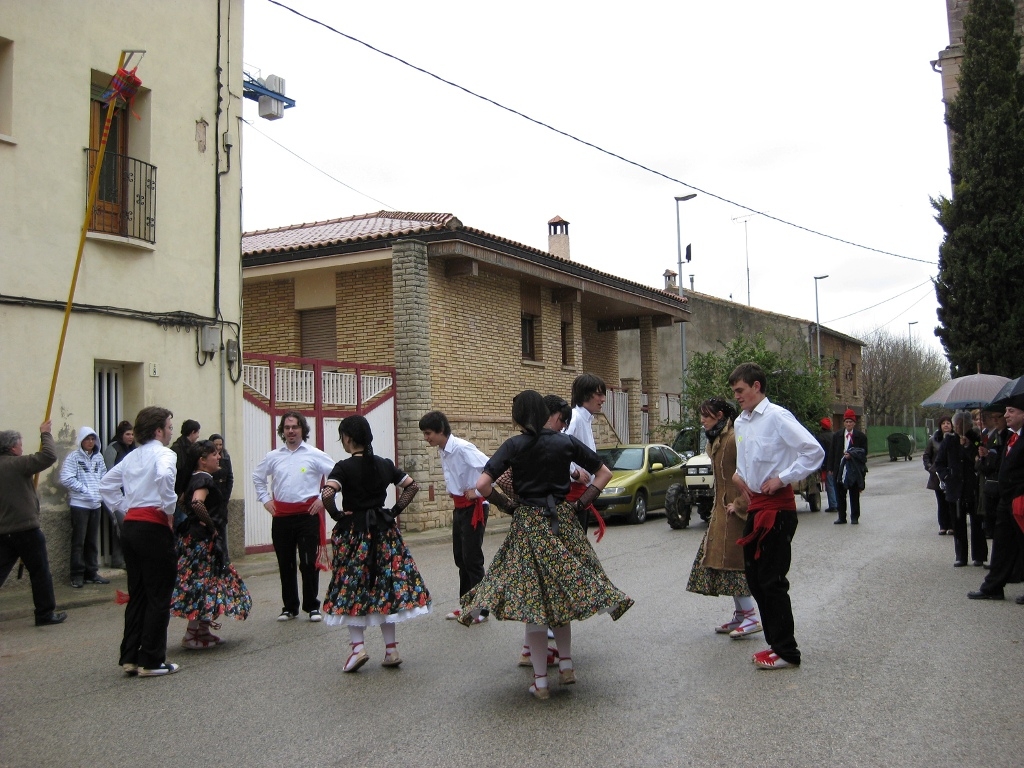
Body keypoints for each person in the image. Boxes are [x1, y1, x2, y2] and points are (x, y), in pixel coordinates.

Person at [459, 390, 633, 700]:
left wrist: (509, 507)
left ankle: (540, 682)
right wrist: (581, 504)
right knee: (560, 595)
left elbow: (483, 485)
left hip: (528, 523)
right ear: (543, 414)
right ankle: (566, 666)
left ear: (517, 417)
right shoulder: (564, 441)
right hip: (562, 521)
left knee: (534, 603)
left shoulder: (513, 445)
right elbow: (604, 472)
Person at [729, 363, 823, 670]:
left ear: (757, 386)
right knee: (755, 579)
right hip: (756, 507)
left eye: (740, 390)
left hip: (778, 510)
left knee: (772, 580)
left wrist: (782, 478)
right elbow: (745, 463)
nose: (737, 397)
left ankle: (787, 651)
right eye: (734, 392)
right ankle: (774, 643)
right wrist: (741, 479)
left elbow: (813, 451)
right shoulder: (741, 423)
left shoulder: (777, 417)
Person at [319, 415, 429, 672]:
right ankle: (391, 650)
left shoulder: (343, 467)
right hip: (383, 530)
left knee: (352, 588)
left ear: (347, 438)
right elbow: (412, 487)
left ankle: (358, 649)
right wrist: (392, 510)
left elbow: (327, 494)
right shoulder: (384, 464)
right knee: (384, 587)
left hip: (354, 533)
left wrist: (336, 515)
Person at [99, 406, 181, 676]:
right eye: (169, 427)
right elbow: (165, 477)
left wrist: (123, 508)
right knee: (159, 593)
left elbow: (106, 485)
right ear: (158, 430)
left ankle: (130, 656)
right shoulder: (165, 453)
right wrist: (169, 510)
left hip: (132, 525)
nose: (171, 431)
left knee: (138, 593)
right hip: (152, 525)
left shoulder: (132, 457)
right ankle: (152, 660)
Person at [685, 397, 760, 639]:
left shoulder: (733, 439)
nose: (702, 420)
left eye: (706, 415)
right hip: (721, 512)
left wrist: (739, 504)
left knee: (735, 564)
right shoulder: (719, 440)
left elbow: (749, 473)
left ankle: (751, 616)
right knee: (725, 563)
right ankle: (740, 614)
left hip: (734, 514)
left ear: (719, 415)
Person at [252, 411, 335, 622]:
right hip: (282, 517)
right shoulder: (273, 457)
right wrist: (265, 500)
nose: (291, 431)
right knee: (285, 562)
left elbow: (336, 475)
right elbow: (257, 477)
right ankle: (289, 606)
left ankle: (312, 606)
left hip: (307, 516)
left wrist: (321, 498)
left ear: (302, 430)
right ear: (282, 431)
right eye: (287, 428)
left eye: (295, 427)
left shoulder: (314, 454)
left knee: (308, 562)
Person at [171, 439, 251, 649]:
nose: (219, 457)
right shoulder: (204, 479)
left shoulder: (194, 478)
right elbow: (197, 503)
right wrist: (209, 524)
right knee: (201, 583)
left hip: (196, 538)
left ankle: (202, 630)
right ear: (202, 460)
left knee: (207, 583)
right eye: (214, 454)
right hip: (202, 541)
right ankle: (192, 634)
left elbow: (182, 501)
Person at [419, 410, 489, 624]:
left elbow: (490, 467)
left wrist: (477, 491)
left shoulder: (461, 447)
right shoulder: (443, 450)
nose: (426, 438)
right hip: (459, 508)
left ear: (441, 429)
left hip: (474, 507)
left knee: (472, 559)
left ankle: (480, 610)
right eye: (424, 434)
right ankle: (466, 604)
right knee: (461, 557)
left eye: (429, 433)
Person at [0, 420, 67, 627]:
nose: (22, 447)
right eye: (20, 444)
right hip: (25, 528)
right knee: (40, 573)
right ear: (13, 447)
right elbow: (49, 456)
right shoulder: (17, 464)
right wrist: (45, 434)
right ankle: (45, 613)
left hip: (4, 530)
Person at [968, 399, 1024, 601]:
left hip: (1019, 499)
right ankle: (993, 586)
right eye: (1006, 411)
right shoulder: (1011, 437)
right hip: (1006, 500)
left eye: (1011, 411)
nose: (1006, 415)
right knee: (1001, 544)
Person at [59, 426, 111, 588]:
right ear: (81, 440)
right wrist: (85, 489)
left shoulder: (98, 458)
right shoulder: (73, 458)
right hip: (80, 504)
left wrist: (100, 493)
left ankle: (91, 572)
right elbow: (66, 478)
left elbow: (104, 476)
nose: (90, 442)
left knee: (92, 541)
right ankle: (76, 574)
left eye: (92, 439)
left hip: (95, 504)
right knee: (78, 541)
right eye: (87, 439)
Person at [564, 373, 607, 534]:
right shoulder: (574, 417)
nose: (603, 399)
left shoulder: (586, 419)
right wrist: (574, 473)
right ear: (585, 395)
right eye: (599, 394)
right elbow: (558, 447)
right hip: (573, 492)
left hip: (583, 493)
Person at [830, 409, 868, 525]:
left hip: (853, 469)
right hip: (840, 469)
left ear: (854, 423)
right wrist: (830, 468)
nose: (848, 424)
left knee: (854, 494)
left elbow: (864, 452)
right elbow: (832, 452)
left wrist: (852, 455)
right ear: (844, 423)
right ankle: (842, 517)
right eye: (846, 422)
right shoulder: (837, 435)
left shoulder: (860, 437)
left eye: (850, 422)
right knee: (840, 494)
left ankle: (855, 517)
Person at [923, 416, 954, 534]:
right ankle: (943, 525)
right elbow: (926, 455)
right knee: (941, 501)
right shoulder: (933, 440)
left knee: (951, 501)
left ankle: (952, 525)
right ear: (940, 426)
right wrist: (930, 467)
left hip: (951, 474)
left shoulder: (955, 438)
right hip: (938, 475)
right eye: (943, 423)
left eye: (948, 423)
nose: (946, 425)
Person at [208, 433, 234, 556]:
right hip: (212, 496)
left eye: (220, 444)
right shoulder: (209, 459)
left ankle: (224, 556)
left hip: (223, 496)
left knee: (222, 528)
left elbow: (230, 477)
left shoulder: (226, 458)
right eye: (216, 445)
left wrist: (226, 496)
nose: (218, 447)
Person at [817, 417, 838, 513]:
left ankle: (833, 505)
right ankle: (837, 503)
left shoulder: (821, 437)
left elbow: (821, 452)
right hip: (836, 463)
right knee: (835, 484)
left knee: (829, 485)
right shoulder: (834, 436)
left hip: (827, 464)